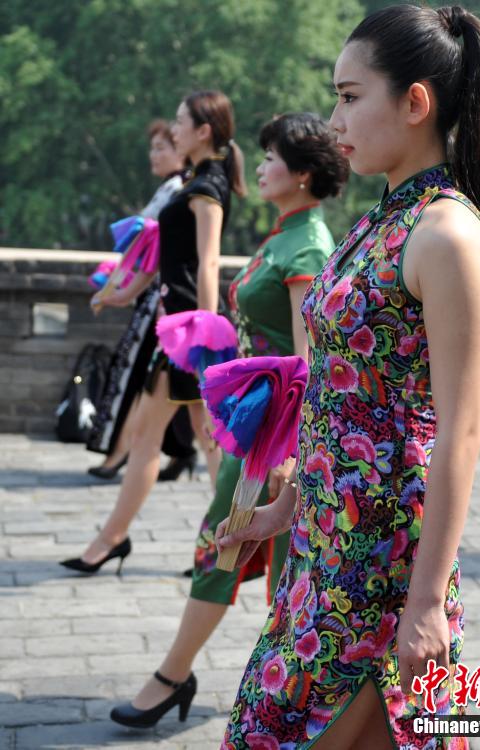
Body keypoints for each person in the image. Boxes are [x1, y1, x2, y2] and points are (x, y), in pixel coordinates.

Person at [216, 5, 480, 749]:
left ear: (415, 102)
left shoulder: (446, 233)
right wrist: (286, 507)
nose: (335, 118)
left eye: (349, 95)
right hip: (324, 547)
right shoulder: (382, 219)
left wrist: (425, 602)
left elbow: (460, 430)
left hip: (384, 565)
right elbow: (339, 389)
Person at [109, 112, 350, 729]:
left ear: (302, 174)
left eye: (271, 158)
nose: (259, 167)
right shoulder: (285, 235)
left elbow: (309, 361)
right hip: (255, 427)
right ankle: (211, 680)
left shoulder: (308, 246)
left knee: (246, 547)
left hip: (276, 437)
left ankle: (191, 680)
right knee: (233, 545)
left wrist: (290, 454)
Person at [60, 89, 246, 575]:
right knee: (197, 439)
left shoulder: (207, 186)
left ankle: (221, 544)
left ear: (203, 131)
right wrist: (118, 293)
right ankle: (224, 544)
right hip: (180, 330)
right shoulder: (195, 181)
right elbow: (165, 259)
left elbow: (208, 263)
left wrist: (204, 334)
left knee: (189, 439)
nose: (174, 128)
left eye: (182, 122)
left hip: (189, 332)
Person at [87, 119, 197, 482]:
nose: (154, 154)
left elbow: (151, 254)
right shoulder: (177, 188)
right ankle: (181, 450)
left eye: (162, 147)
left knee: (135, 371)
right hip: (161, 294)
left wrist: (119, 290)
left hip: (160, 296)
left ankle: (118, 451)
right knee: (169, 379)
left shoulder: (182, 190)